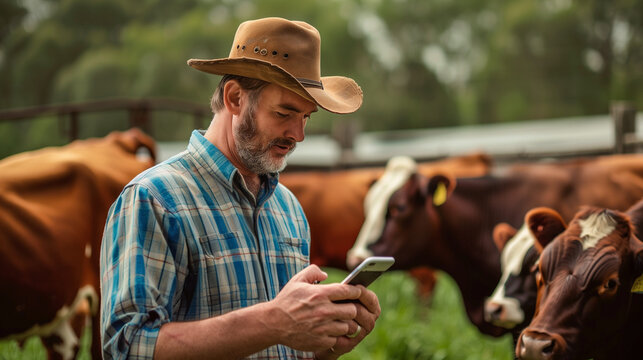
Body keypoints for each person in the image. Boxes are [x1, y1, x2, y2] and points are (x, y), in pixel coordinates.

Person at [100, 17, 381, 360]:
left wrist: (325, 344)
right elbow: (127, 347)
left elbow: (284, 343)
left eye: (306, 117)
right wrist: (274, 321)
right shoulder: (154, 200)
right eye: (284, 113)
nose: (298, 134)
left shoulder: (289, 209)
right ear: (234, 98)